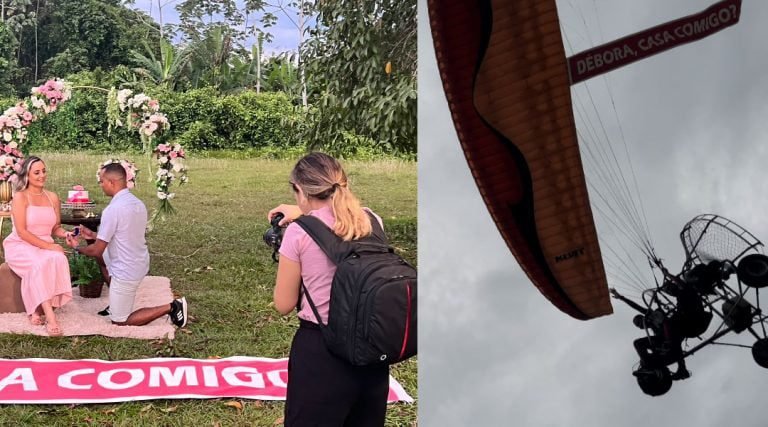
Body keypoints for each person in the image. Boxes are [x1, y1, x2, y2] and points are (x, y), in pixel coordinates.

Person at [268, 152, 389, 427]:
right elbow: (338, 220)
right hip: (371, 349)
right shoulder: (372, 220)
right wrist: (302, 210)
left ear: (300, 190)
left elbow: (283, 304)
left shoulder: (298, 234)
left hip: (322, 352)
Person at [68, 162, 188, 328]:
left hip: (126, 270)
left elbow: (96, 250)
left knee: (120, 320)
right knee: (104, 260)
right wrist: (93, 235)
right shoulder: (138, 204)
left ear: (112, 182)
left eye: (102, 181)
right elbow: (123, 235)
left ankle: (172, 307)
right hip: (139, 261)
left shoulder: (113, 210)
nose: (100, 185)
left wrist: (76, 247)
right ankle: (118, 299)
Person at [2, 156, 72, 336]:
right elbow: (22, 231)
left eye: (44, 171)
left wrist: (66, 235)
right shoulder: (20, 197)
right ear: (27, 175)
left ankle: (36, 309)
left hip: (44, 243)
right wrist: (49, 247)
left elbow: (55, 227)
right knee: (39, 263)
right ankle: (50, 318)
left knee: (58, 257)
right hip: (20, 244)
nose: (42, 176)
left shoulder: (52, 197)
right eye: (37, 173)